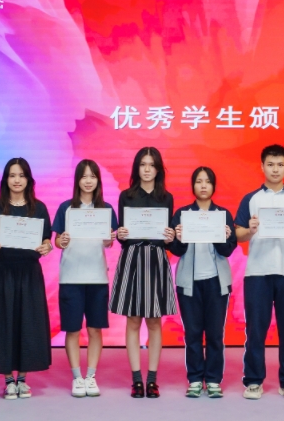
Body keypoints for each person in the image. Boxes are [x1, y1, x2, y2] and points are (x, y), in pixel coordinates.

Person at [236, 144, 284, 401]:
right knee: (256, 330)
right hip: (258, 272)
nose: (275, 169)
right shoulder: (251, 199)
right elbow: (239, 234)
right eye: (270, 164)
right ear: (262, 166)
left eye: (280, 164)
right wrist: (250, 230)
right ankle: (253, 380)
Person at [0, 158, 54, 398]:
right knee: (3, 323)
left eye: (21, 175)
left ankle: (22, 378)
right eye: (12, 175)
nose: (17, 180)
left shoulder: (38, 208)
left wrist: (46, 246)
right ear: (6, 180)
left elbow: (46, 238)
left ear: (29, 179)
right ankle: (8, 380)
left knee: (27, 324)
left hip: (29, 274)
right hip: (3, 274)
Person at [110, 147, 177, 398]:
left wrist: (170, 237)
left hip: (157, 258)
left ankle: (152, 380)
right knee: (133, 320)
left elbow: (168, 237)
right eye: (142, 164)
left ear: (158, 169)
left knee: (155, 320)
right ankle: (136, 379)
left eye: (151, 165)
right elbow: (122, 235)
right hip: (133, 258)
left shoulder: (166, 198)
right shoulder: (126, 196)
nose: (147, 169)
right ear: (136, 168)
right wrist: (121, 234)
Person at [168, 166, 239, 398]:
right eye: (199, 181)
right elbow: (176, 250)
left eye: (207, 181)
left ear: (213, 186)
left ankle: (214, 379)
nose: (203, 185)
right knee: (193, 333)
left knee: (215, 334)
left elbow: (228, 250)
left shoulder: (223, 214)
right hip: (189, 283)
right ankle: (196, 378)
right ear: (193, 186)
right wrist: (178, 238)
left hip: (216, 283)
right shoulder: (182, 214)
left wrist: (224, 236)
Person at [52, 160, 118, 397]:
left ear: (98, 180)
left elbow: (109, 242)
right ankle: (77, 378)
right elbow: (56, 240)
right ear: (77, 180)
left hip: (97, 278)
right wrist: (61, 241)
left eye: (93, 176)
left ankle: (90, 376)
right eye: (84, 176)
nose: (88, 181)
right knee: (72, 329)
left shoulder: (106, 209)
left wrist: (109, 239)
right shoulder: (66, 208)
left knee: (94, 329)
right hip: (70, 278)